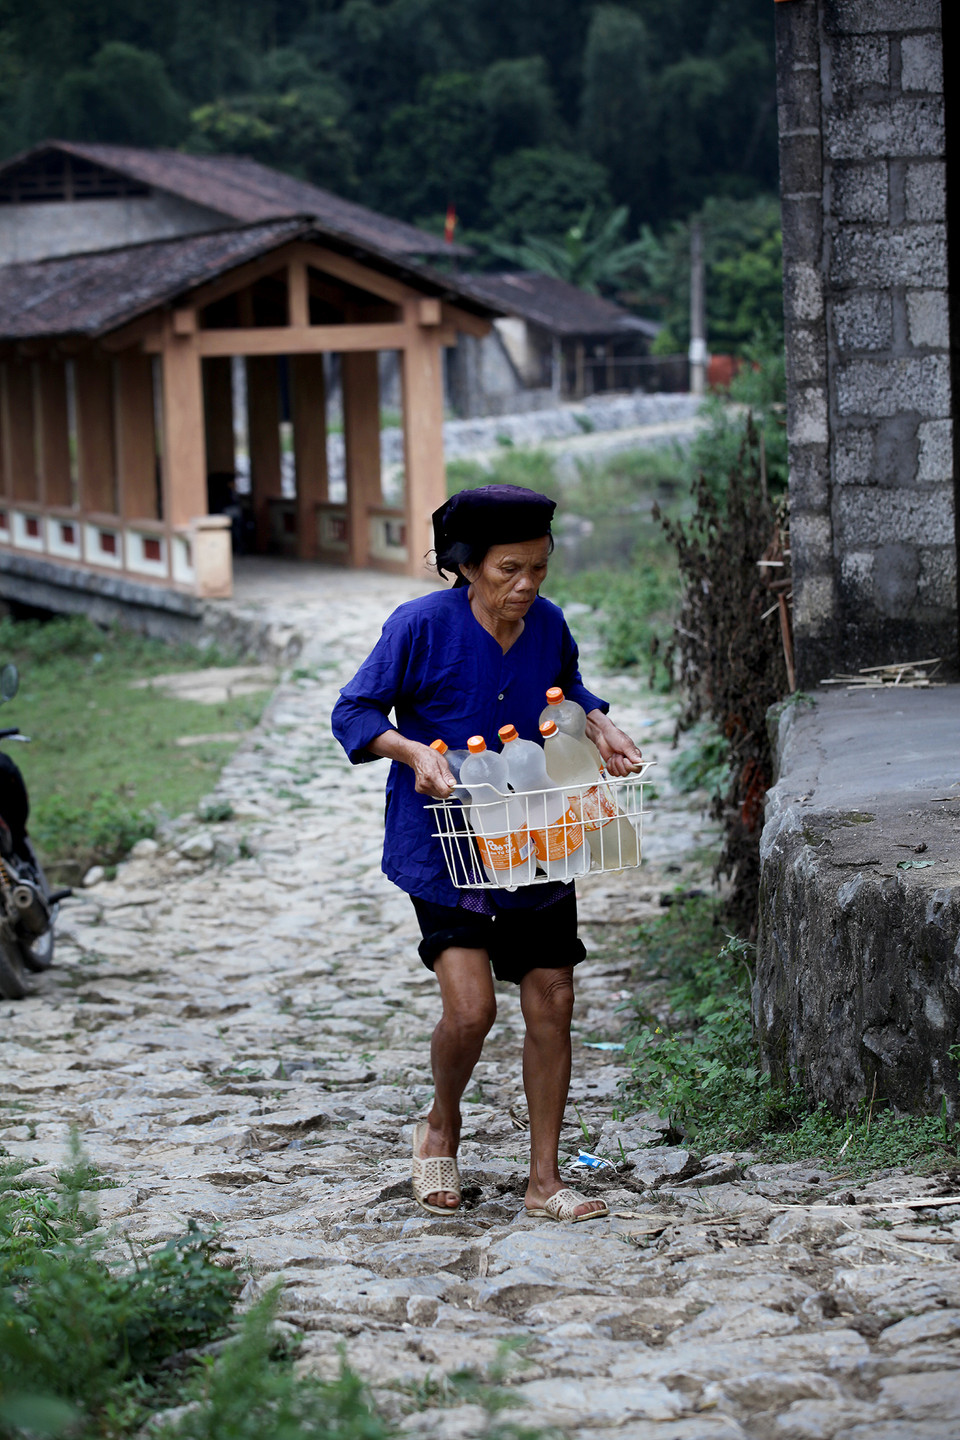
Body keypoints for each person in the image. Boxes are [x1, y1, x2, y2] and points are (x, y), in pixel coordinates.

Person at [331, 485, 642, 1223]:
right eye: (510, 569)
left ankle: (545, 1180)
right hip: (442, 843)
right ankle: (441, 1120)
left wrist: (597, 723)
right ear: (467, 567)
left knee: (553, 995)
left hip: (534, 831)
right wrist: (409, 752)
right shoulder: (418, 627)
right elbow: (355, 710)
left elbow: (565, 689)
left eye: (538, 566)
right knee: (470, 1012)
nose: (527, 585)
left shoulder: (548, 623)